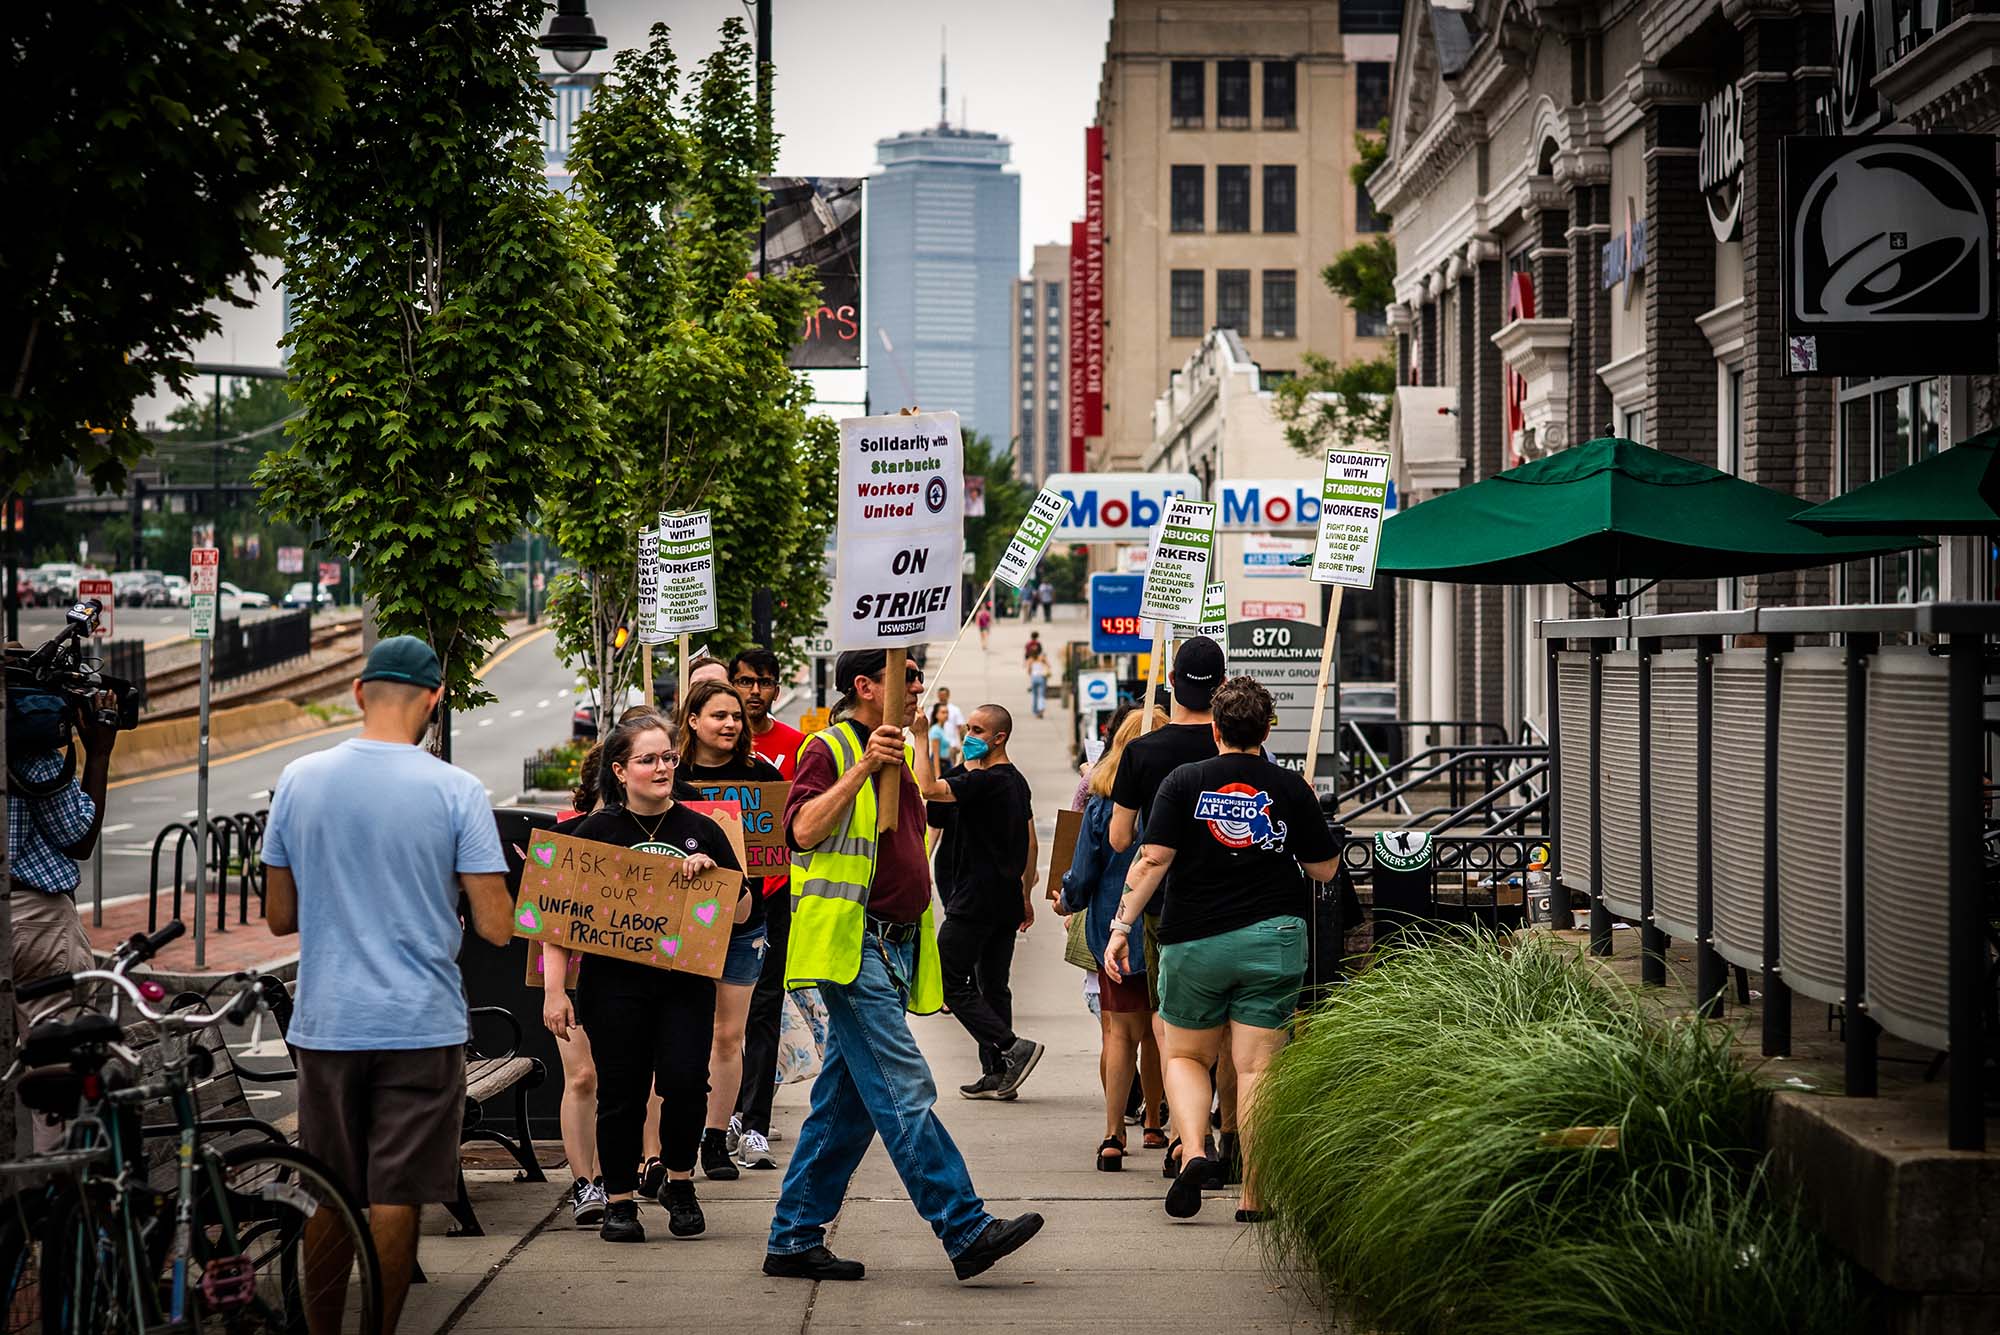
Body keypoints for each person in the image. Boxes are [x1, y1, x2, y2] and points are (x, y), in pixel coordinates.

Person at [765, 649, 1043, 1284]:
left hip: (891, 947)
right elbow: (803, 830)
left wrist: (911, 748)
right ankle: (965, 1227)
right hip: (849, 945)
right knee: (905, 1088)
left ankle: (793, 1237)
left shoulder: (898, 751)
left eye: (919, 675)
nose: (919, 685)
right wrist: (865, 766)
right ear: (866, 686)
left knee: (847, 1104)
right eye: (907, 676)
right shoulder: (829, 748)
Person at [261, 636, 514, 1331]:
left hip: (328, 1020)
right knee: (396, 1193)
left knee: (330, 1192)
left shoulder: (299, 778)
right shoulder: (455, 789)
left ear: (357, 692)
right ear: (435, 699)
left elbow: (280, 917)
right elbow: (497, 925)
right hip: (420, 1022)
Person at [1106, 676, 1340, 1221]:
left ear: (1215, 729)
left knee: (1186, 1055)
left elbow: (1151, 861)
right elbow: (1323, 868)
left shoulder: (1184, 781)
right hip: (1273, 939)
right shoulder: (1289, 787)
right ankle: (1254, 1196)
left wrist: (1121, 927)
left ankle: (1193, 1151)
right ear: (1266, 730)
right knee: (1258, 1069)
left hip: (1195, 940)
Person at [540, 712, 749, 1244]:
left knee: (683, 1083)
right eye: (648, 759)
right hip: (613, 987)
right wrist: (555, 991)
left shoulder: (703, 831)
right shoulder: (595, 833)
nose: (661, 768)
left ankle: (679, 1183)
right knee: (621, 1092)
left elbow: (743, 912)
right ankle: (618, 1201)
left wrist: (713, 881)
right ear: (620, 768)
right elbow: (558, 919)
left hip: (684, 986)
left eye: (668, 758)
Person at [1109, 634, 1224, 1178]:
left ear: (1170, 683)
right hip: (1234, 899)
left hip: (1166, 907)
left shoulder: (1142, 751)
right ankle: (1212, 1135)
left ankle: (1182, 1132)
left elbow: (1118, 838)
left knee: (1168, 1022)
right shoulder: (1240, 746)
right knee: (1228, 1028)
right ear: (1222, 687)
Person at [672, 680, 785, 1182]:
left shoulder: (760, 774)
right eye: (719, 715)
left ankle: (716, 1139)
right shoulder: (671, 777)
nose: (731, 724)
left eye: (735, 716)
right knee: (677, 1033)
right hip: (678, 924)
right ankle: (673, 1139)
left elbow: (780, 845)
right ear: (693, 721)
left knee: (729, 1034)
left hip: (744, 919)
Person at [913, 703, 1043, 1100]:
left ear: (999, 738)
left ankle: (1011, 1048)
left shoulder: (989, 782)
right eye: (967, 727)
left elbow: (928, 789)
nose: (968, 736)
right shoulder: (1014, 781)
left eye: (977, 730)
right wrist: (1024, 894)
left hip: (974, 900)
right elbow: (1030, 841)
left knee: (948, 982)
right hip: (1003, 899)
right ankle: (999, 1073)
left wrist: (920, 737)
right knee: (993, 986)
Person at [1061, 705, 1169, 1170]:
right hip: (1172, 925)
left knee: (1120, 1033)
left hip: (1113, 926)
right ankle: (1157, 1126)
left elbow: (1082, 873)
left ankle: (1111, 1136)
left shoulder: (1104, 804)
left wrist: (1066, 900)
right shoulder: (1180, 800)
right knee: (1166, 1034)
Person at [727, 647, 806, 1170]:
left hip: (772, 896)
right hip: (712, 903)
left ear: (777, 690)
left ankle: (754, 1119)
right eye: (745, 682)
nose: (754, 691)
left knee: (763, 1009)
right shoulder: (699, 752)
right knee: (716, 1017)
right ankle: (721, 1113)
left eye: (764, 683)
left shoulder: (793, 746)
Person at [8, 676, 119, 1032]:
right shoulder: (33, 758)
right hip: (35, 923)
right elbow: (79, 838)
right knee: (60, 1057)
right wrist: (99, 753)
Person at [546, 747, 608, 1228]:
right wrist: (553, 992)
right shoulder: (566, 839)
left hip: (637, 983)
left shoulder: (647, 837)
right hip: (576, 979)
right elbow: (553, 925)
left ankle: (614, 1176)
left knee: (625, 1081)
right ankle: (584, 1181)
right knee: (582, 1076)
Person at [936, 685, 966, 757]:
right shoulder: (933, 710)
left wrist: (961, 743)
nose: (942, 697)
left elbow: (961, 727)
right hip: (938, 745)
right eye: (940, 695)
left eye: (944, 695)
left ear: (948, 695)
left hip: (952, 745)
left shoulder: (955, 710)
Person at [927, 702, 956, 771]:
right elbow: (935, 755)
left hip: (946, 762)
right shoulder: (935, 730)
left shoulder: (943, 729)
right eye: (943, 712)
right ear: (936, 714)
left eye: (947, 712)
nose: (946, 715)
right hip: (940, 764)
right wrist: (937, 774)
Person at [1026, 648, 1050, 719]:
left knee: (1035, 695)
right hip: (1041, 678)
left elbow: (1029, 671)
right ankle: (1041, 709)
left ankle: (1035, 711)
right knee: (1041, 695)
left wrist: (1032, 674)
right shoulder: (1042, 658)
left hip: (1034, 678)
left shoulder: (1030, 660)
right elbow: (1049, 666)